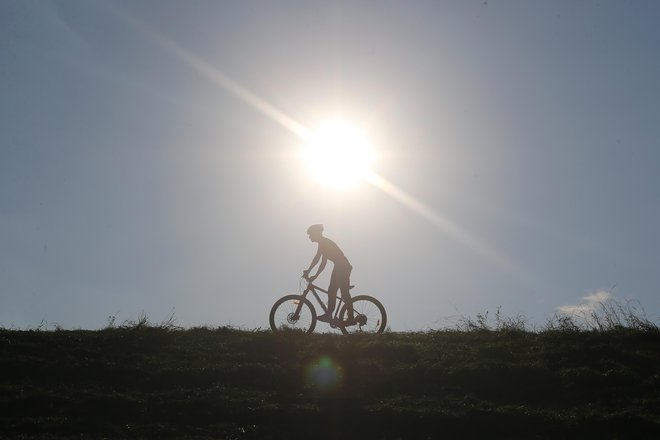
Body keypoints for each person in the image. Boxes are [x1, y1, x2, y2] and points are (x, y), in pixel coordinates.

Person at [303, 224, 355, 324]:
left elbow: (320, 260)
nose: (310, 237)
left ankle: (337, 316)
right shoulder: (322, 243)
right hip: (341, 266)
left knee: (334, 290)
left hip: (342, 266)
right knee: (338, 291)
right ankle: (337, 315)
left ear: (316, 233)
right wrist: (312, 273)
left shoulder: (324, 242)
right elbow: (321, 261)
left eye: (310, 235)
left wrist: (311, 273)